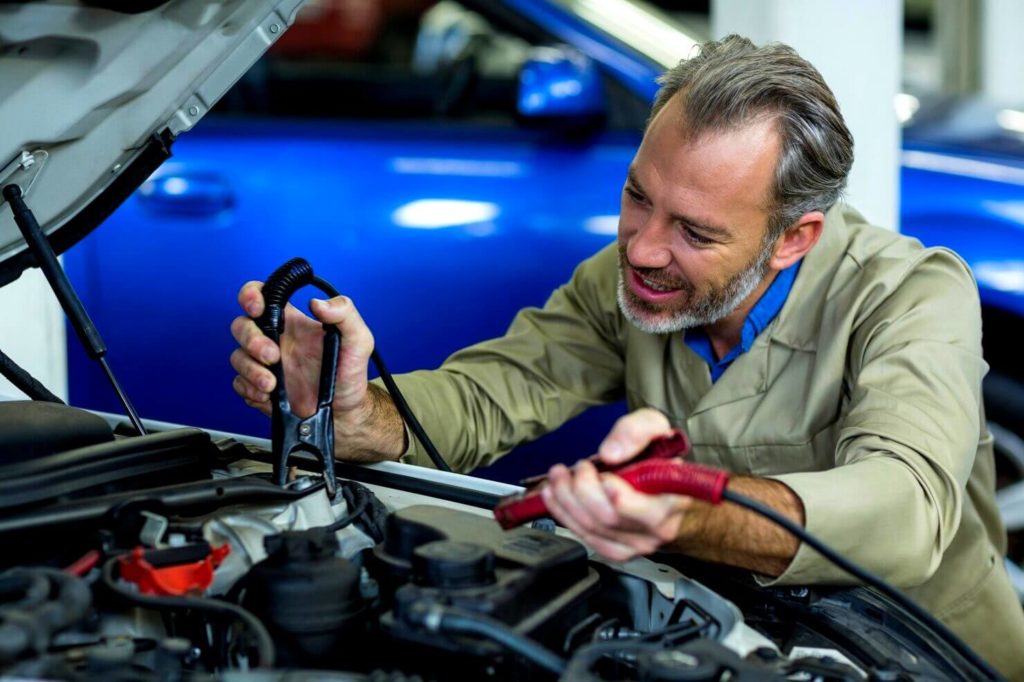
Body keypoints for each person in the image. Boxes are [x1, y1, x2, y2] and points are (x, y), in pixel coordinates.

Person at [230, 35, 1024, 676]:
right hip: (731, 638)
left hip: (923, 652)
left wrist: (682, 511)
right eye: (638, 195)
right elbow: (492, 393)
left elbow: (905, 508)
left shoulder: (911, 294)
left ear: (793, 240)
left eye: (695, 231)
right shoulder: (627, 280)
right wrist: (363, 415)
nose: (641, 248)